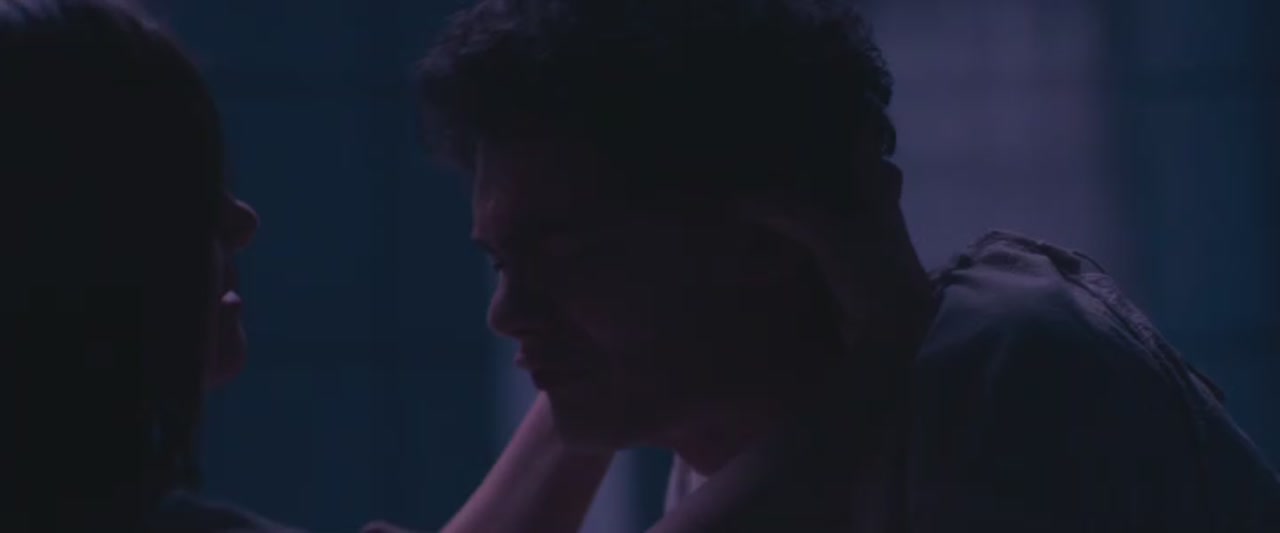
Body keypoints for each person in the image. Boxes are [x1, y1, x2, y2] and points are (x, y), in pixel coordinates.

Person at [405, 0, 1280, 531]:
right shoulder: (747, 442)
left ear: (765, 234)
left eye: (566, 255)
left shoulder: (1003, 370)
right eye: (502, 262)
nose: (506, 314)